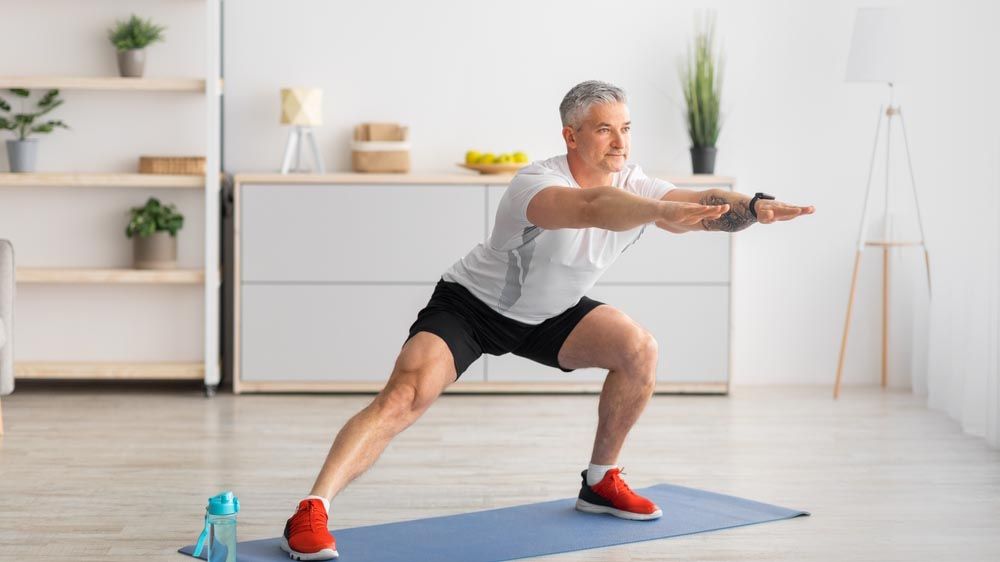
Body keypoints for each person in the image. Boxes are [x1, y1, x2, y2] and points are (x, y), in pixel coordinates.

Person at [280, 80, 815, 560]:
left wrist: (756, 205)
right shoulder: (535, 185)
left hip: (550, 313)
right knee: (404, 396)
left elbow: (703, 201)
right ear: (572, 136)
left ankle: (600, 482)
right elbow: (593, 208)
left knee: (639, 349)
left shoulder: (638, 184)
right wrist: (660, 212)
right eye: (604, 130)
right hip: (472, 307)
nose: (620, 141)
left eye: (625, 128)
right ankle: (311, 511)